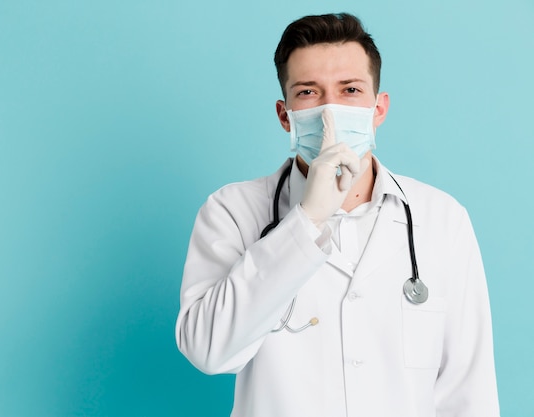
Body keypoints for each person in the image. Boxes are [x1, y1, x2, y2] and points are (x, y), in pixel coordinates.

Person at [175, 12, 500, 417]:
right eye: (309, 93)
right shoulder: (232, 211)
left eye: (349, 90)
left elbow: (468, 392)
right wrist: (308, 218)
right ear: (285, 115)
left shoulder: (441, 219)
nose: (330, 112)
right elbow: (208, 351)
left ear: (378, 109)